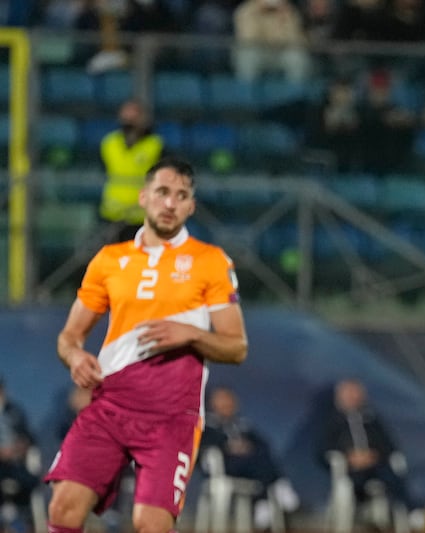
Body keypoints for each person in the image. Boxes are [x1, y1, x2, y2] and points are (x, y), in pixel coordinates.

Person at [44, 157, 249, 533]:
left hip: (172, 418)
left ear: (191, 206)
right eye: (163, 192)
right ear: (143, 197)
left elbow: (236, 347)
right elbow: (69, 337)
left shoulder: (211, 262)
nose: (170, 203)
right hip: (110, 406)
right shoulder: (109, 260)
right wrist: (74, 355)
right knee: (63, 509)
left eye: (181, 196)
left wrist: (192, 335)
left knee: (150, 524)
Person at [200, 386, 300, 530]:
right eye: (223, 401)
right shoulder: (206, 424)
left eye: (229, 401)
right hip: (224, 466)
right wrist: (229, 446)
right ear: (212, 403)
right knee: (257, 459)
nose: (227, 404)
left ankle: (263, 501)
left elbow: (263, 443)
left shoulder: (241, 424)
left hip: (248, 466)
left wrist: (246, 446)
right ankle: (278, 486)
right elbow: (204, 445)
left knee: (261, 452)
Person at [319, 378, 410, 510]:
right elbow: (323, 448)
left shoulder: (371, 420)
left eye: (356, 393)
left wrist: (372, 456)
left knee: (393, 477)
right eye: (348, 394)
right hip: (349, 469)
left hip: (375, 466)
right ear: (340, 397)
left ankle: (413, 513)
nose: (353, 397)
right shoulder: (332, 421)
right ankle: (362, 510)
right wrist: (349, 457)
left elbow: (388, 445)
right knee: (354, 484)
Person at [99, 100, 164, 242]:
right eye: (127, 116)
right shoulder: (109, 143)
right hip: (112, 214)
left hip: (141, 215)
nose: (130, 121)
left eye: (134, 117)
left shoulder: (155, 145)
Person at [0, 377, 40, 531]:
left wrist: (19, 447)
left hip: (16, 465)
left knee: (29, 480)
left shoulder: (15, 412)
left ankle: (25, 524)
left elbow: (29, 438)